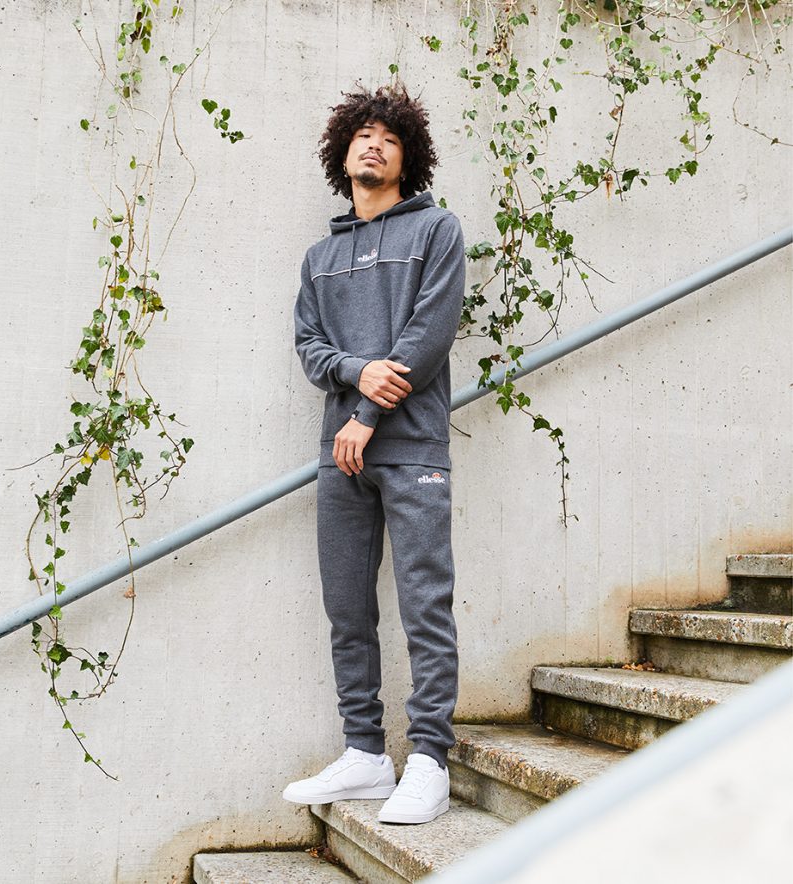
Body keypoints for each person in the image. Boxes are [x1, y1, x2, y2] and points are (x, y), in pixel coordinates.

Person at [283, 82, 466, 825]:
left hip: (408, 445)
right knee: (347, 607)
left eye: (390, 138)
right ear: (343, 152)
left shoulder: (437, 231)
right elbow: (309, 346)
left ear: (407, 157)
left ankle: (429, 761)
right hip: (343, 455)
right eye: (363, 134)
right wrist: (356, 373)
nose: (374, 144)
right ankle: (364, 753)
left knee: (425, 602)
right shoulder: (320, 258)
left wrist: (363, 413)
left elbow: (428, 336)